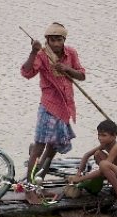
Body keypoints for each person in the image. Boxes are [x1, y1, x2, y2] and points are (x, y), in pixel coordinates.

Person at [21, 22, 86, 196]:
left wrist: (67, 69)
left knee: (54, 146)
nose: (55, 44)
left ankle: (39, 177)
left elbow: (82, 75)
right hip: (49, 105)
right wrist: (33, 51)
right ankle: (29, 183)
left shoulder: (70, 53)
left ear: (64, 40)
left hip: (65, 107)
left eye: (58, 40)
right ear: (47, 40)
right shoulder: (42, 55)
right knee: (39, 145)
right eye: (52, 40)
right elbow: (26, 73)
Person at [68, 119, 117, 210]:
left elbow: (103, 168)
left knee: (104, 164)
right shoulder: (105, 145)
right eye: (99, 135)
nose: (100, 138)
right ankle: (113, 185)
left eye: (104, 135)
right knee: (98, 154)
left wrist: (81, 179)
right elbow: (86, 155)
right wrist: (78, 173)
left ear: (114, 136)